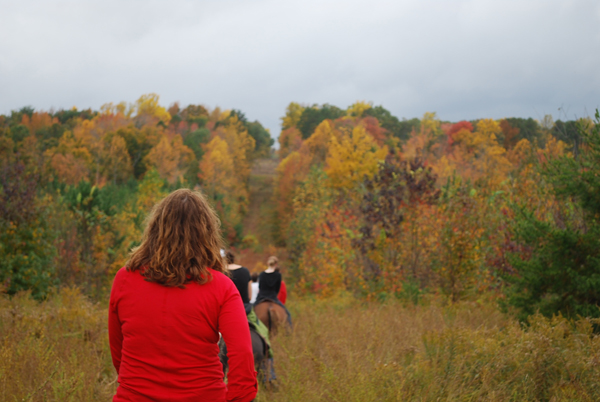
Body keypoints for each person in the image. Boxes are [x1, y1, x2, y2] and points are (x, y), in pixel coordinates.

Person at [108, 189, 257, 402]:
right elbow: (242, 353)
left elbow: (118, 352)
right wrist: (239, 398)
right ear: (207, 233)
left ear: (155, 229)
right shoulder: (222, 287)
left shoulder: (124, 279)